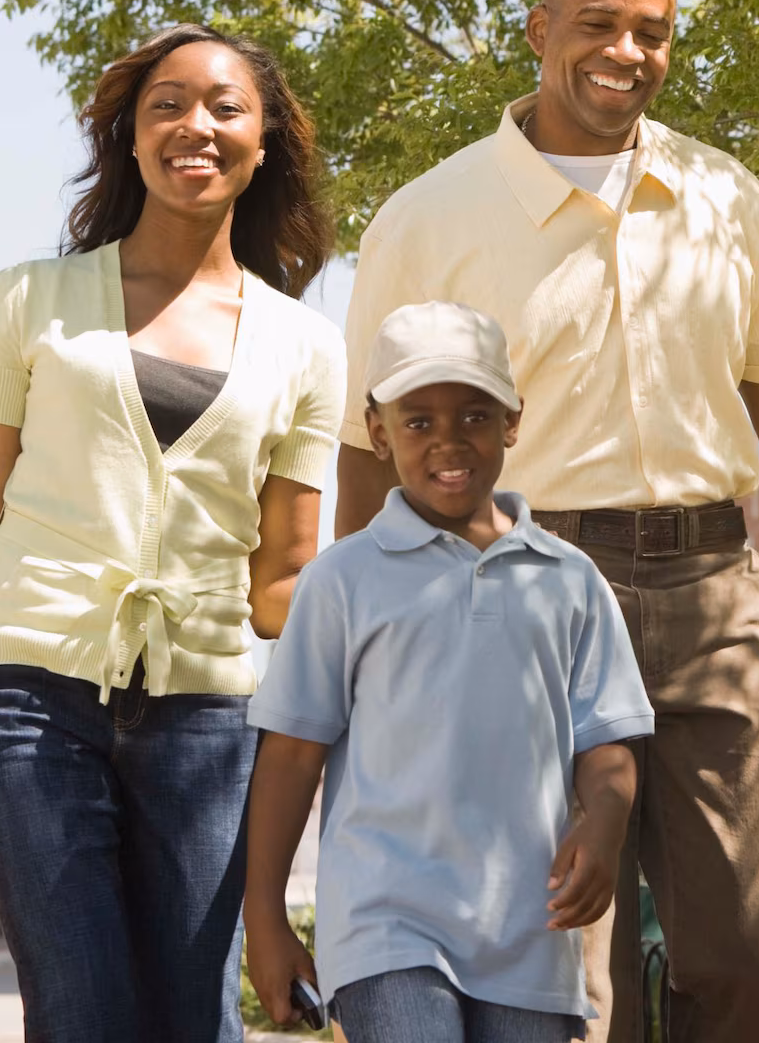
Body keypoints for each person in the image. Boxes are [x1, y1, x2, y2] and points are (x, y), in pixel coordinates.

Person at [335, 0, 759, 1042]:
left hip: (712, 589)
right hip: (512, 593)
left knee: (750, 953)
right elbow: (367, 443)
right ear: (540, 32)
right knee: (561, 971)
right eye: (597, 24)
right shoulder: (426, 218)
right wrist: (362, 639)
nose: (624, 51)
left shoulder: (726, 199)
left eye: (651, 32)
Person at [0, 24, 344, 1043]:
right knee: (83, 1011)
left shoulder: (306, 345)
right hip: (21, 692)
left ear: (263, 144)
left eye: (222, 107)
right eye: (165, 104)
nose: (192, 126)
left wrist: (404, 615)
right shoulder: (30, 301)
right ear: (127, 134)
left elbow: (281, 583)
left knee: (194, 1021)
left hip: (207, 712)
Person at [244, 300, 655, 1043]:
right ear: (377, 432)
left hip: (532, 929)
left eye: (474, 414)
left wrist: (607, 825)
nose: (448, 441)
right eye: (418, 421)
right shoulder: (343, 581)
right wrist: (264, 917)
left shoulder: (571, 579)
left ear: (513, 421)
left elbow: (608, 745)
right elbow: (290, 756)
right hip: (384, 925)